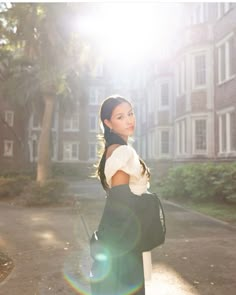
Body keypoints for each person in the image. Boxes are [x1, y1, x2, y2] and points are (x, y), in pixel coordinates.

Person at [90, 95, 152, 295]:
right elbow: (121, 202)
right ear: (108, 123)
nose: (129, 120)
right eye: (120, 116)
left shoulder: (116, 149)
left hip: (125, 234)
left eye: (130, 113)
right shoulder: (121, 153)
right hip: (124, 239)